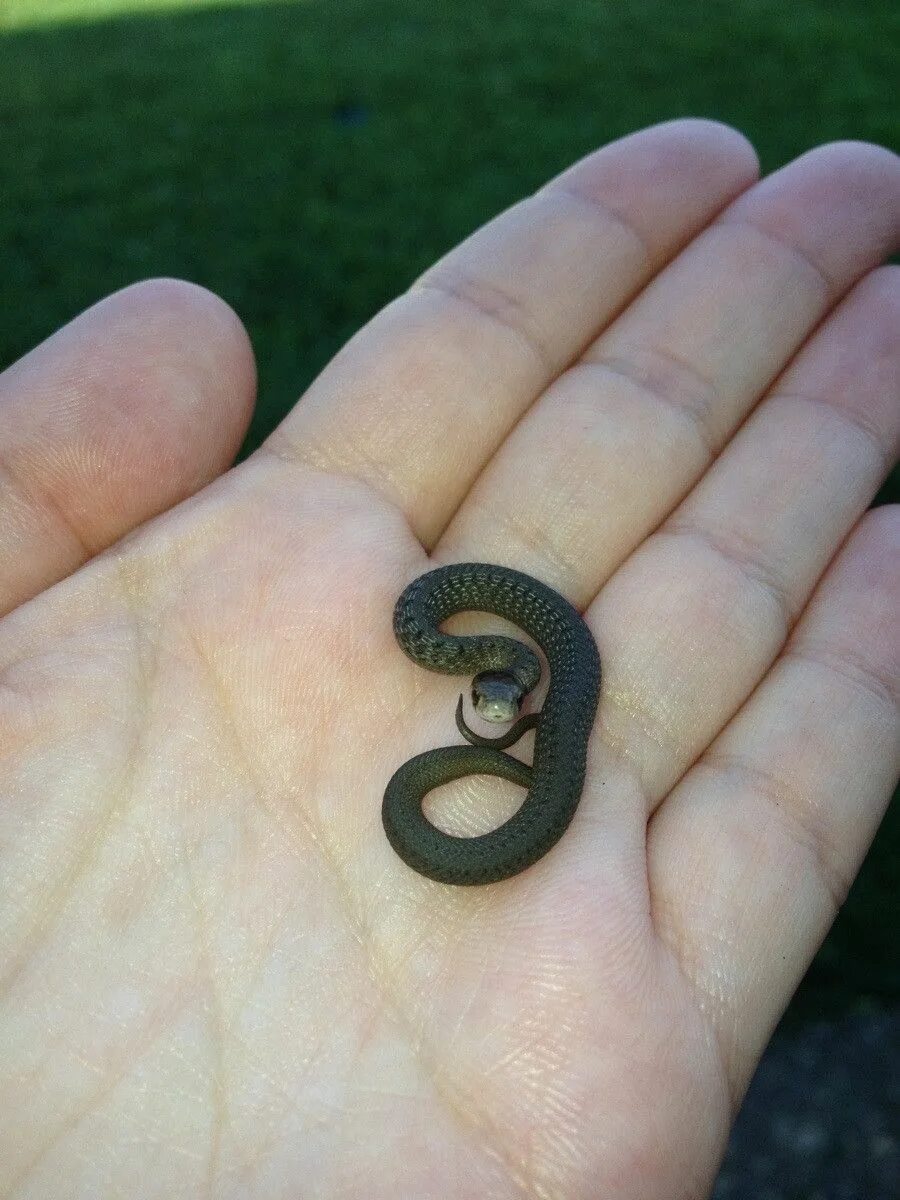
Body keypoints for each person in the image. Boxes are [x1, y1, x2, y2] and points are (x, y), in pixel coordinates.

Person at [0, 118, 897, 1199]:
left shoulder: (541, 672)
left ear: (519, 689)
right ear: (483, 674)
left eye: (505, 702)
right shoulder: (441, 627)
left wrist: (528, 758)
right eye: (494, 696)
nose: (496, 700)